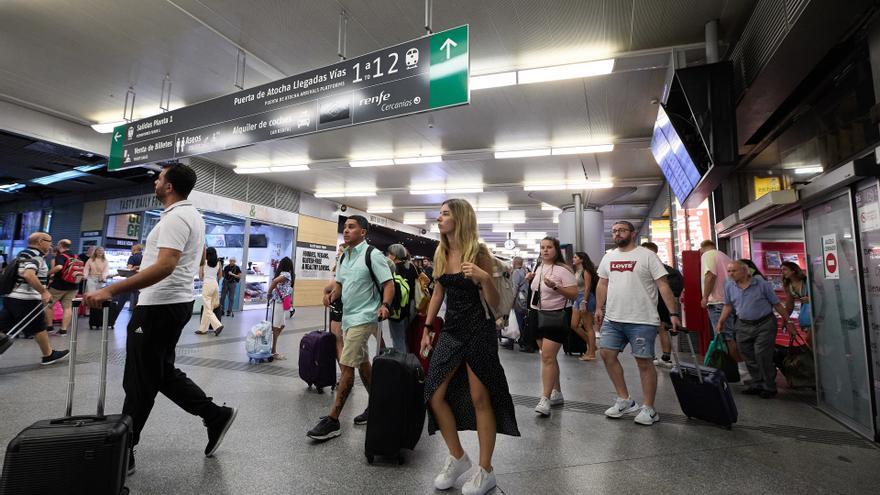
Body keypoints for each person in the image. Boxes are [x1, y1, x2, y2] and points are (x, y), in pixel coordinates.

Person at [85, 163, 237, 474]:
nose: (155, 181)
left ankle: (125, 450)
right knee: (158, 372)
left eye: (160, 177)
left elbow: (166, 265)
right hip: (167, 304)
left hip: (159, 306)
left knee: (140, 379)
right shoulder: (187, 215)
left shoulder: (178, 216)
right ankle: (214, 415)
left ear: (169, 187)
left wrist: (112, 289)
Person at [420, 198, 519, 495]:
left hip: (479, 330)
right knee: (434, 394)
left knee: (480, 399)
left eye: (445, 214)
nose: (439, 219)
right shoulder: (441, 251)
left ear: (460, 218)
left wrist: (484, 277)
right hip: (451, 331)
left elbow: (494, 302)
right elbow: (438, 292)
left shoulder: (479, 251)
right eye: (439, 214)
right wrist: (427, 327)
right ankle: (458, 457)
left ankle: (486, 470)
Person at [308, 215, 394, 441]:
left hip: (365, 317)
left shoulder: (372, 255)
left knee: (346, 365)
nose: (346, 230)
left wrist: (385, 304)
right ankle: (379, 407)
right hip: (348, 317)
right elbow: (340, 284)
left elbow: (388, 284)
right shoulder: (345, 256)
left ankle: (333, 420)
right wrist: (332, 295)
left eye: (352, 227)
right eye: (345, 227)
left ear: (363, 232)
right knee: (363, 363)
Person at [595, 221, 681, 426]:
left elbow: (663, 284)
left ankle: (649, 408)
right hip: (613, 318)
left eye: (622, 230)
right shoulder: (609, 256)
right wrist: (598, 307)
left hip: (642, 319)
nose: (617, 233)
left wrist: (673, 313)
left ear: (632, 233)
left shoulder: (647, 256)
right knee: (607, 354)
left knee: (644, 362)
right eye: (614, 231)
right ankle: (625, 400)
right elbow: (602, 283)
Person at [715, 261, 793, 399]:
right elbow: (728, 305)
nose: (730, 274)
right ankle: (757, 383)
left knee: (762, 354)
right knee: (747, 354)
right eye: (729, 271)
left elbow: (777, 304)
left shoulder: (762, 284)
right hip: (743, 325)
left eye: (734, 271)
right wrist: (721, 321)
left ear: (746, 271)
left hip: (764, 324)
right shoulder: (728, 285)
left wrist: (789, 321)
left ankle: (769, 386)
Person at [0, 232, 69, 365]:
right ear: (40, 241)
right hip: (27, 299)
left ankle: (48, 354)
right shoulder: (36, 256)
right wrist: (43, 292)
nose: (50, 245)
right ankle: (48, 355)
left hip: (12, 297)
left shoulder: (23, 253)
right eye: (49, 241)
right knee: (38, 327)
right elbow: (29, 275)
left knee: (3, 323)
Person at [527, 237, 578, 417]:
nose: (545, 250)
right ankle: (557, 392)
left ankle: (545, 398)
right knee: (548, 357)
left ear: (556, 250)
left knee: (547, 357)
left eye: (549, 247)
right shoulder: (538, 267)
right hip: (536, 314)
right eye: (542, 247)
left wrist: (556, 286)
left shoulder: (563, 270)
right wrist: (530, 280)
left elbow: (574, 294)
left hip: (556, 316)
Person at [641, 242, 680, 369]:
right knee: (650, 330)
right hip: (647, 304)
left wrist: (673, 311)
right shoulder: (667, 270)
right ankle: (653, 356)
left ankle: (665, 357)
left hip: (661, 305)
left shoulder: (667, 271)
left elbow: (673, 291)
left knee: (662, 328)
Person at [700, 240, 739, 360]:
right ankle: (737, 367)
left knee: (724, 338)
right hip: (729, 301)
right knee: (729, 336)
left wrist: (705, 297)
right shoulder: (724, 256)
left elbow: (710, 275)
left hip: (717, 302)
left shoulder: (707, 255)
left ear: (702, 248)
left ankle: (733, 368)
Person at [45, 239, 80, 336]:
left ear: (60, 245)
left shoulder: (61, 256)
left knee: (48, 305)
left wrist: (48, 273)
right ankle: (63, 330)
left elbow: (59, 267)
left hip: (59, 286)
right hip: (74, 285)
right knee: (67, 307)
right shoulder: (76, 256)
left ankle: (50, 327)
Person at [386, 243, 416, 351]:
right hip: (411, 307)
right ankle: (408, 362)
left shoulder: (392, 269)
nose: (387, 256)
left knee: (397, 339)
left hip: (397, 309)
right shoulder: (411, 266)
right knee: (405, 338)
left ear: (394, 256)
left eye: (389, 254)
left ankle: (401, 365)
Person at [571, 251, 598, 361]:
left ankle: (591, 353)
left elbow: (587, 287)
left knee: (588, 327)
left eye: (575, 257)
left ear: (581, 259)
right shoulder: (576, 271)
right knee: (574, 325)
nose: (573, 258)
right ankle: (592, 346)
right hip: (577, 298)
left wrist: (584, 301)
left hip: (585, 298)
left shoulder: (586, 271)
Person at [267, 256, 294, 360]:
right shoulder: (286, 274)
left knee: (281, 325)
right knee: (276, 326)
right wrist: (269, 293)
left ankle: (272, 347)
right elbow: (274, 282)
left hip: (279, 303)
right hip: (278, 303)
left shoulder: (282, 273)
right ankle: (273, 350)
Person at [781, 261, 811, 346]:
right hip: (805, 316)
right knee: (811, 342)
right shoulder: (789, 285)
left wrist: (810, 299)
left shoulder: (807, 281)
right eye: (781, 270)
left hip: (815, 315)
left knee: (809, 340)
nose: (782, 272)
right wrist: (785, 319)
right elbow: (790, 305)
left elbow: (822, 296)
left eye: (785, 269)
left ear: (793, 271)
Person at [196, 247, 224, 336]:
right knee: (208, 307)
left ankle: (218, 325)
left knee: (208, 308)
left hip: (207, 284)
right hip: (215, 284)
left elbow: (200, 277)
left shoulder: (203, 262)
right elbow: (220, 276)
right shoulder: (218, 263)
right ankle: (203, 329)